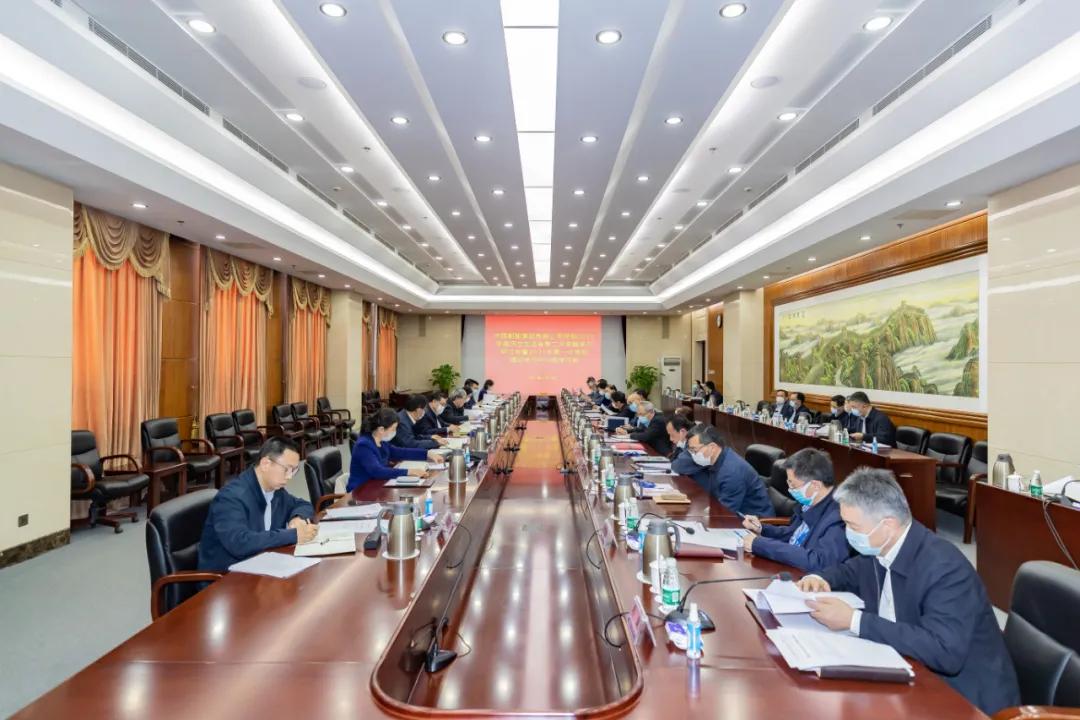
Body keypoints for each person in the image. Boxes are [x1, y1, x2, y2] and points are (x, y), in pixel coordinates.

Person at [798, 468, 1019, 715]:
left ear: (888, 525)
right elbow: (851, 571)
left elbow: (945, 652)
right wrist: (820, 578)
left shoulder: (944, 567)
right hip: (908, 668)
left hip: (966, 698)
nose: (847, 532)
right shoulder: (881, 547)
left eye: (852, 525)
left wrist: (854, 621)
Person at [197, 437, 316, 572]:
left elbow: (303, 504)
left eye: (294, 471)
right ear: (265, 464)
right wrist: (293, 535)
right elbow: (240, 543)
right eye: (287, 469)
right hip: (226, 577)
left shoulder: (275, 489)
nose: (289, 477)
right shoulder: (231, 498)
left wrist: (297, 518)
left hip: (260, 565)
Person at [740, 448, 849, 571]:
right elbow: (792, 534)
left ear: (815, 485)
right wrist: (761, 529)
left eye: (793, 484)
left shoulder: (840, 517)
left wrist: (761, 545)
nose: (790, 489)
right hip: (790, 567)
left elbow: (818, 561)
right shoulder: (810, 502)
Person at [685, 424, 773, 516]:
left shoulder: (731, 472)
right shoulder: (721, 458)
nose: (693, 455)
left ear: (712, 447)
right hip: (734, 513)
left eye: (694, 450)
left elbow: (724, 514)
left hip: (755, 520)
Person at [347, 408, 442, 492]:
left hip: (377, 486)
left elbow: (401, 452)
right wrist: (409, 472)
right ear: (381, 429)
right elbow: (377, 471)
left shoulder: (381, 442)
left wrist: (427, 453)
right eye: (393, 429)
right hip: (361, 491)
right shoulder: (364, 445)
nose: (395, 432)